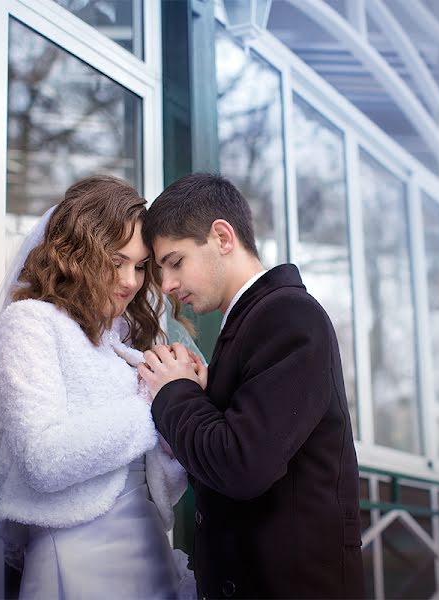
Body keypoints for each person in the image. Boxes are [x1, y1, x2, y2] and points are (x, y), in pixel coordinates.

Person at [0, 175, 196, 599]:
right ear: (79, 252)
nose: (131, 281)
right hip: (77, 556)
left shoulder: (125, 346)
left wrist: (180, 406)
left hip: (149, 548)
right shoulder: (31, 324)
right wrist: (156, 404)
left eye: (138, 266)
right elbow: (44, 459)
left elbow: (162, 486)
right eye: (116, 262)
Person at [138, 173, 365, 599]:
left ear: (222, 237)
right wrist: (205, 400)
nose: (166, 285)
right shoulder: (250, 325)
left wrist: (174, 391)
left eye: (175, 262)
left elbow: (241, 465)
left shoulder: (289, 317)